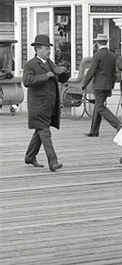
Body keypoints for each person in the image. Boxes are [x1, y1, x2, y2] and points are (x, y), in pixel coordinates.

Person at [23, 34, 70, 172]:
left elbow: (60, 79)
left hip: (50, 105)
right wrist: (46, 76)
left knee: (40, 131)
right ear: (37, 50)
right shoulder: (30, 64)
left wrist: (63, 72)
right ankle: (53, 161)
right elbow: (27, 81)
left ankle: (30, 157)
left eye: (49, 48)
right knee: (45, 132)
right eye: (46, 48)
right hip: (37, 105)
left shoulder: (50, 63)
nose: (49, 51)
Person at [82, 33, 122, 137]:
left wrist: (84, 84)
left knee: (99, 106)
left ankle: (117, 124)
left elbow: (92, 71)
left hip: (99, 85)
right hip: (108, 84)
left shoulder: (97, 55)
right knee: (98, 106)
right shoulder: (112, 55)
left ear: (97, 43)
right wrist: (112, 85)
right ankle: (94, 131)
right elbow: (114, 73)